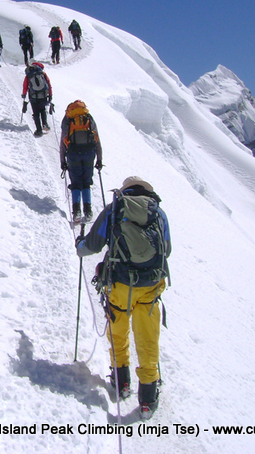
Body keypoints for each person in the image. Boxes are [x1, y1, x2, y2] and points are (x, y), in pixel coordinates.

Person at [75, 176, 171, 420]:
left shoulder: (116, 208)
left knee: (118, 332)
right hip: (150, 287)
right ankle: (148, 398)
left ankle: (121, 382)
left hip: (120, 285)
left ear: (125, 190)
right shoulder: (158, 213)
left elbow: (91, 246)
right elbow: (166, 250)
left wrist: (80, 243)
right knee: (148, 339)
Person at [60, 100, 102, 221]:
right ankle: (88, 211)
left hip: (73, 154)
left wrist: (62, 161)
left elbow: (63, 141)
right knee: (86, 181)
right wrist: (99, 158)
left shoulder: (68, 120)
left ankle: (76, 211)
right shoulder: (88, 118)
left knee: (76, 182)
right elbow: (97, 139)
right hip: (89, 153)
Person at [21, 62, 53, 137]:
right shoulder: (43, 74)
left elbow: (25, 86)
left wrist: (24, 94)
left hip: (33, 96)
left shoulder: (29, 75)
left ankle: (39, 130)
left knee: (36, 113)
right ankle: (45, 124)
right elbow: (48, 84)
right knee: (42, 110)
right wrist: (50, 95)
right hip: (43, 95)